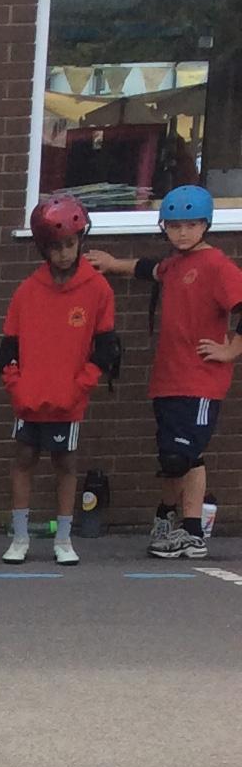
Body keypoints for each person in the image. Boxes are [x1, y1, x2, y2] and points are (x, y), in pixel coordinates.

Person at [90, 182, 242, 559]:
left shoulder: (217, 265)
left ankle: (192, 533)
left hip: (200, 380)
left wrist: (230, 351)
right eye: (174, 226)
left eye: (191, 225)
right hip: (168, 379)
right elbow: (149, 269)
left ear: (206, 225)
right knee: (172, 458)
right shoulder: (175, 264)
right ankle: (167, 518)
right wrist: (112, 264)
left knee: (185, 456)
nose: (183, 233)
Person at [0, 193, 118, 564]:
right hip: (29, 399)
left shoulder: (97, 290)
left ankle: (63, 539)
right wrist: (17, 388)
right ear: (43, 249)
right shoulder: (27, 291)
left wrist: (81, 387)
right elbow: (8, 349)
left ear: (81, 241)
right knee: (24, 459)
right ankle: (19, 537)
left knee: (65, 464)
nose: (63, 253)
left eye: (69, 244)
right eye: (55, 247)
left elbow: (105, 349)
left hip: (69, 400)